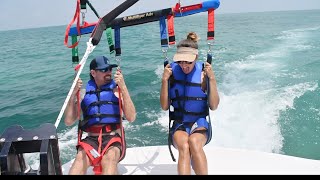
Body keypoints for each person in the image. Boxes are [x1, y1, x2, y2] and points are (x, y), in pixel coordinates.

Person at [64, 55, 136, 175]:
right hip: (91, 140)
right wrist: (73, 93)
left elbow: (131, 117)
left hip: (113, 138)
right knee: (78, 163)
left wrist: (123, 87)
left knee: (110, 158)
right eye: (104, 70)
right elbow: (68, 121)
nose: (108, 72)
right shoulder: (83, 95)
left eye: (109, 69)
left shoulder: (117, 91)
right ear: (93, 73)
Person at [160, 32, 219, 175]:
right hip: (179, 123)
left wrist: (211, 79)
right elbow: (164, 106)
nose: (183, 65)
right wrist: (164, 80)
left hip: (199, 123)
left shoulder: (204, 74)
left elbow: (214, 106)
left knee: (194, 142)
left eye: (188, 62)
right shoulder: (171, 72)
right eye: (180, 61)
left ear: (196, 58)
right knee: (185, 146)